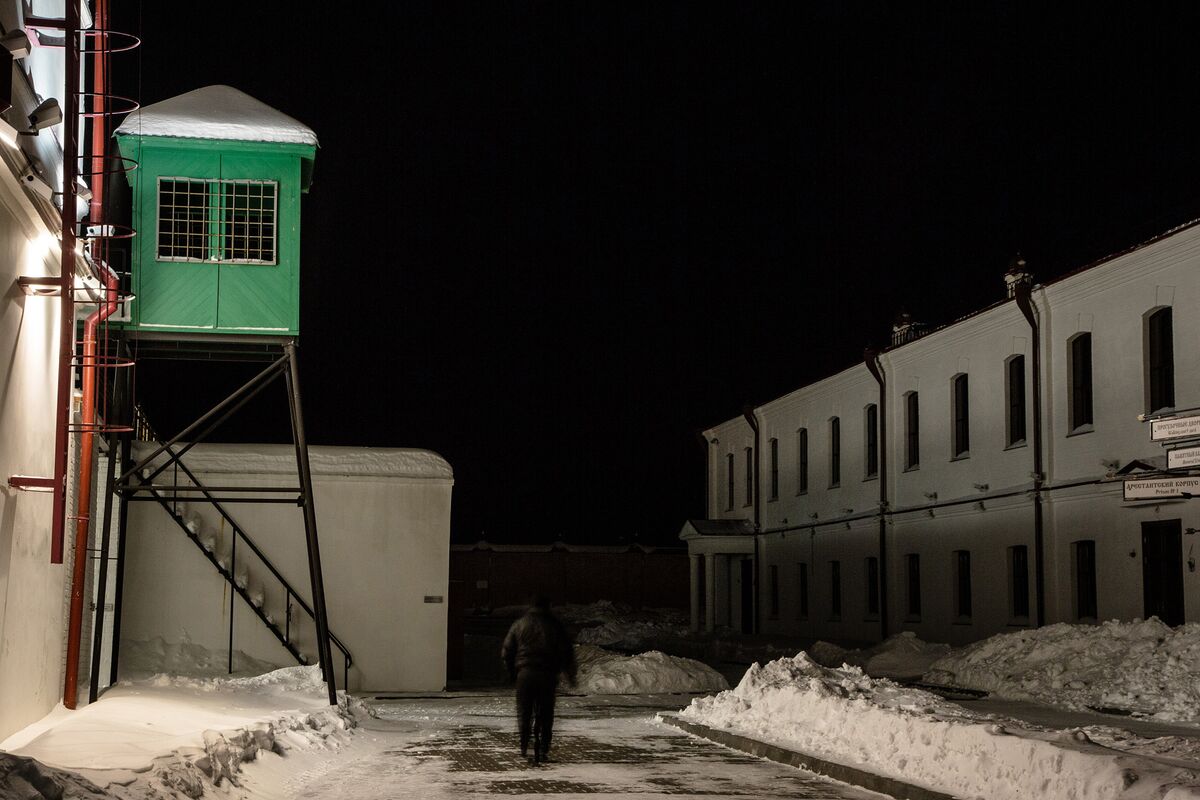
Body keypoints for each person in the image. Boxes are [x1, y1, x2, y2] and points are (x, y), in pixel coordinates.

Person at [501, 595, 577, 764]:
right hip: (547, 675)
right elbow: (566, 651)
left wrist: (512, 673)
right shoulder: (554, 624)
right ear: (548, 606)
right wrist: (570, 675)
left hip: (525, 674)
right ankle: (543, 748)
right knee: (546, 713)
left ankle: (523, 744)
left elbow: (507, 651)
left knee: (524, 711)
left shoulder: (520, 624)